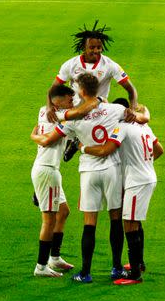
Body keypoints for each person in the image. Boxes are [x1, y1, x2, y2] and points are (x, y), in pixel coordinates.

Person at [33, 74, 147, 283]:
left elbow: (49, 139)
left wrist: (34, 135)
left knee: (90, 223)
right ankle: (116, 268)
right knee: (115, 219)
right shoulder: (116, 110)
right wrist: (140, 111)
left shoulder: (71, 118)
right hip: (112, 169)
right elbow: (142, 118)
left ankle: (85, 272)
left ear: (82, 91)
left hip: (89, 172)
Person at [80, 97, 164, 285]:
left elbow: (105, 150)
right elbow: (159, 149)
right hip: (147, 177)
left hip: (136, 180)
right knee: (135, 221)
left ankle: (134, 274)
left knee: (130, 225)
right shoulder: (145, 127)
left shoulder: (122, 128)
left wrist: (83, 147)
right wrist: (145, 163)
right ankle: (139, 263)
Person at [46, 20, 137, 123]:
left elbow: (131, 89)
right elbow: (53, 88)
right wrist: (49, 107)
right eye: (92, 47)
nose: (96, 51)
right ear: (84, 47)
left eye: (99, 47)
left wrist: (133, 109)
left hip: (100, 114)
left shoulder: (110, 65)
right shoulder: (70, 65)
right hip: (76, 113)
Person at [31, 86, 76, 277]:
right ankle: (41, 266)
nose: (72, 103)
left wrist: (33, 136)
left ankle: (54, 258)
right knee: (48, 220)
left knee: (63, 212)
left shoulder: (44, 110)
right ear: (59, 100)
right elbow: (48, 140)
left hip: (49, 169)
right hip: (47, 171)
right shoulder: (62, 117)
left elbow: (36, 132)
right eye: (69, 99)